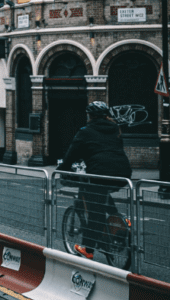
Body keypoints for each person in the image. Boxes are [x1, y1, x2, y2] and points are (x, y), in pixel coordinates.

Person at [56, 101, 132, 260]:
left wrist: (62, 169)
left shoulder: (86, 131)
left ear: (90, 116)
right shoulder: (115, 129)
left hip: (99, 174)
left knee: (95, 213)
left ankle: (88, 249)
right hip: (123, 173)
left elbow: (72, 154)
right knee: (101, 194)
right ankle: (119, 220)